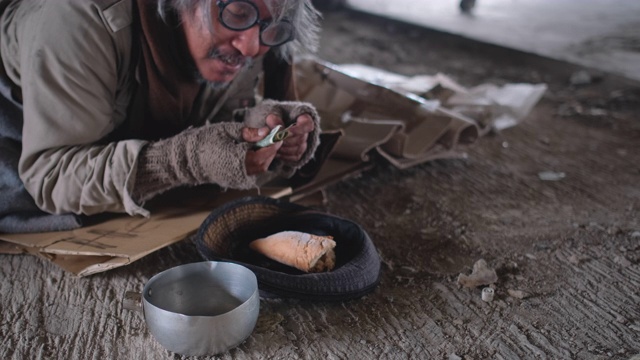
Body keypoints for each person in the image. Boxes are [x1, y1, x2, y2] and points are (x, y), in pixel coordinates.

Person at [0, 0, 322, 233]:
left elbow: (220, 114)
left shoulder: (240, 34)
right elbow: (51, 177)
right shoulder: (79, 20)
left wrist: (264, 126)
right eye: (238, 13)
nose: (251, 47)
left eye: (272, 26)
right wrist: (184, 159)